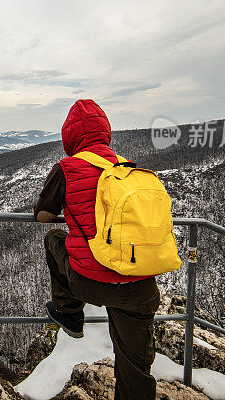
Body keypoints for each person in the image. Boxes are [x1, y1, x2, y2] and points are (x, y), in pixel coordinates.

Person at [34, 99, 160, 400]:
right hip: (139, 284)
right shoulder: (129, 168)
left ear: (70, 136)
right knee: (136, 367)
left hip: (90, 282)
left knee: (54, 237)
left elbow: (43, 215)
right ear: (106, 131)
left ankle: (70, 313)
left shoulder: (67, 168)